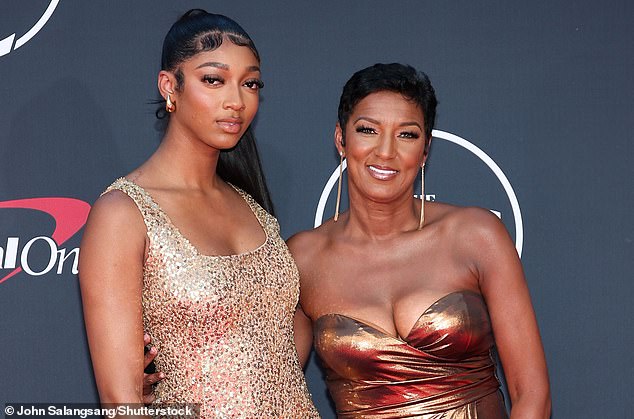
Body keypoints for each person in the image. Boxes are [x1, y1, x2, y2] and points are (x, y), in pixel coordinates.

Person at [79, 9, 319, 418]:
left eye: (250, 83)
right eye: (214, 79)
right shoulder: (122, 214)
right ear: (170, 86)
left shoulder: (252, 207)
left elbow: (283, 338)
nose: (236, 101)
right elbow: (121, 403)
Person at [287, 63, 551, 418]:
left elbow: (531, 395)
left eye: (406, 135)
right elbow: (274, 390)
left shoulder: (477, 235)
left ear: (425, 150)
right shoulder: (303, 257)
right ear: (341, 140)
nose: (385, 151)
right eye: (368, 130)